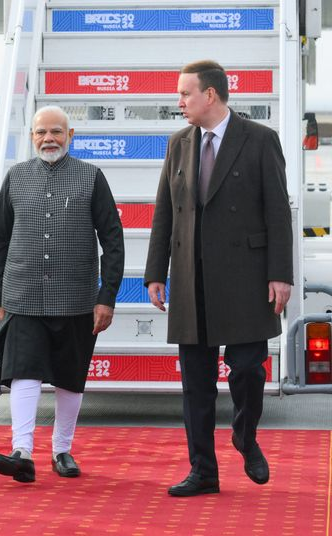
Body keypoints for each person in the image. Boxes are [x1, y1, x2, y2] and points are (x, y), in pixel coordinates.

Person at [144, 60, 293, 497]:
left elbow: (278, 213)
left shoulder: (260, 139)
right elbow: (164, 211)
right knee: (196, 383)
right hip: (191, 279)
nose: (179, 101)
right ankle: (203, 471)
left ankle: (245, 437)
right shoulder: (178, 143)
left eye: (185, 93)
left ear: (210, 94)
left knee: (247, 370)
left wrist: (280, 275)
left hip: (246, 278)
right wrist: (155, 273)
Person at [0, 105, 124, 483]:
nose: (48, 139)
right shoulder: (15, 177)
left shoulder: (91, 177)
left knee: (70, 377)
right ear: (32, 136)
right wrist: (0, 296)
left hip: (76, 298)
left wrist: (106, 296)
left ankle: (61, 450)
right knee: (23, 371)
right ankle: (21, 451)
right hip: (23, 296)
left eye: (56, 132)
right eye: (41, 132)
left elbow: (113, 240)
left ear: (70, 135)